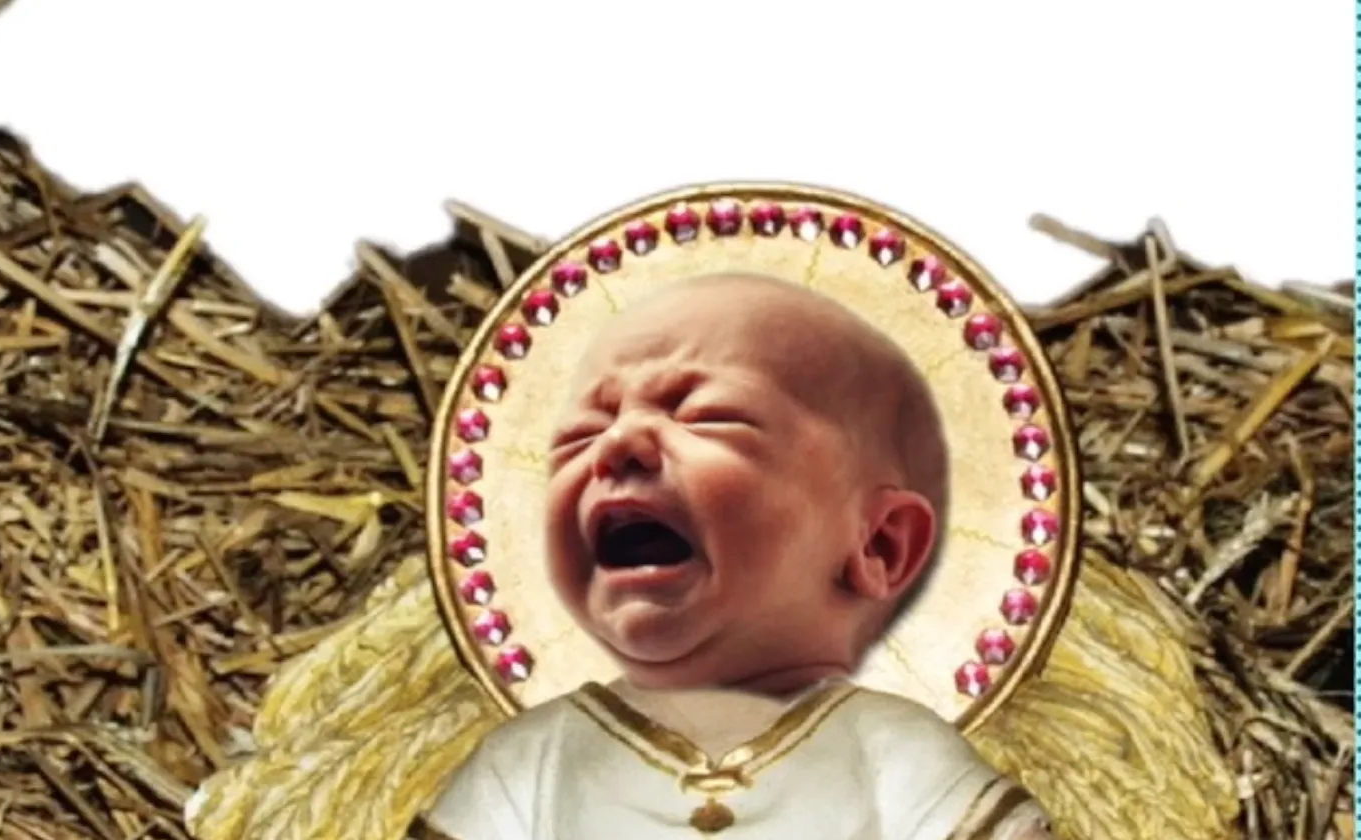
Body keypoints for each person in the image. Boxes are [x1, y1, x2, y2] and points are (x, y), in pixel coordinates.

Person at [420, 273, 1054, 839]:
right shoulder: (529, 762)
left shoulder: (901, 757)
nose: (621, 445)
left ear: (878, 545)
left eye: (709, 416)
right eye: (587, 430)